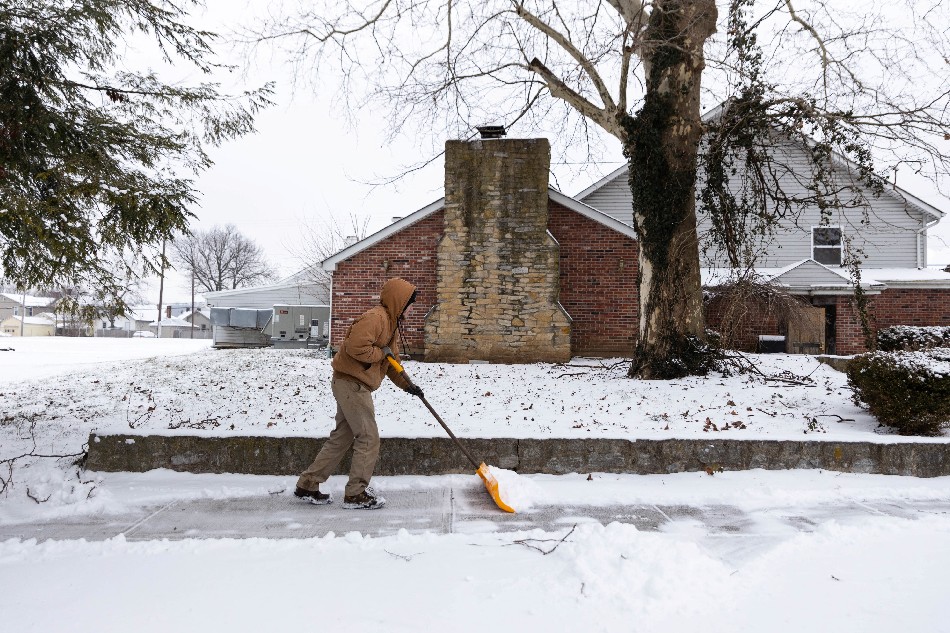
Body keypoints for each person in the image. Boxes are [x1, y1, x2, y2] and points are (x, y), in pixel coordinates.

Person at [294, 277, 423, 509]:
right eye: (410, 303)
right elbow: (356, 347)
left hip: (350, 384)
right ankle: (355, 494)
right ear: (400, 301)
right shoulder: (376, 318)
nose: (412, 308)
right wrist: (380, 354)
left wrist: (408, 386)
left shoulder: (390, 323)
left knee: (342, 437)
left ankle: (308, 484)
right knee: (368, 437)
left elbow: (392, 362)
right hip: (352, 384)